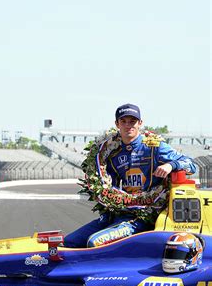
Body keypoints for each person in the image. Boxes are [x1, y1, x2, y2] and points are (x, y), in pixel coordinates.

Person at [64, 103, 197, 248]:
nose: (128, 126)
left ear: (140, 123)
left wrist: (170, 165)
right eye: (123, 121)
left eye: (132, 121)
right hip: (121, 212)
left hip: (146, 215)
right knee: (70, 241)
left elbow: (191, 165)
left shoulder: (154, 146)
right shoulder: (111, 153)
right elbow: (107, 187)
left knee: (95, 242)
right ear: (117, 124)